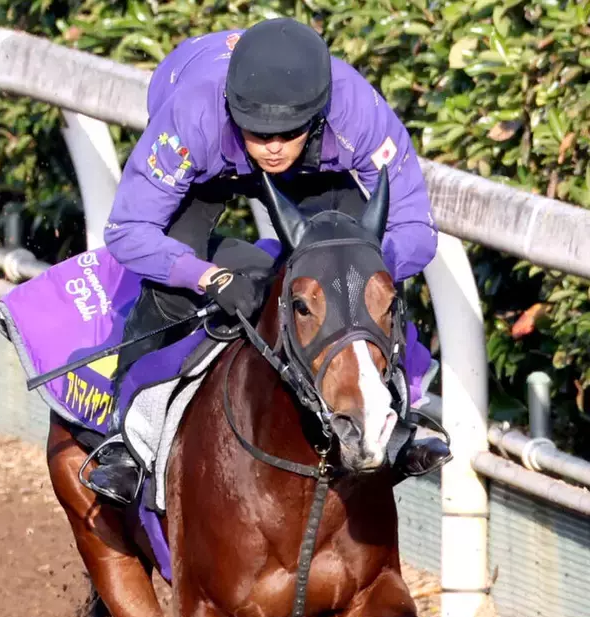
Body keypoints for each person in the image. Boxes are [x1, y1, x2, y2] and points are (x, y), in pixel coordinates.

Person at [88, 17, 448, 504]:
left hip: (316, 172)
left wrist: (359, 273)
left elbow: (415, 229)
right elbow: (128, 230)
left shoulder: (357, 109)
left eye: (287, 132)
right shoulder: (193, 113)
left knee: (360, 281)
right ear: (234, 112)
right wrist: (208, 276)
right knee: (170, 291)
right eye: (257, 132)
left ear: (319, 116)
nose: (273, 146)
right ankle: (125, 440)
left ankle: (404, 412)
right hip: (207, 166)